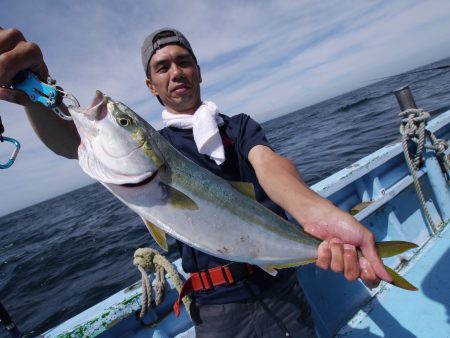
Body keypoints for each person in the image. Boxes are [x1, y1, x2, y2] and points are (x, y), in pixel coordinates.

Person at [0, 27, 391, 337]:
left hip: (279, 288)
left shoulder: (238, 128)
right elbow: (72, 143)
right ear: (152, 86)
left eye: (183, 61)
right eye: (162, 67)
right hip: (215, 307)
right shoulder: (162, 147)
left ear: (198, 71)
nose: (176, 72)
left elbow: (270, 166)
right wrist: (37, 92)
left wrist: (314, 210)